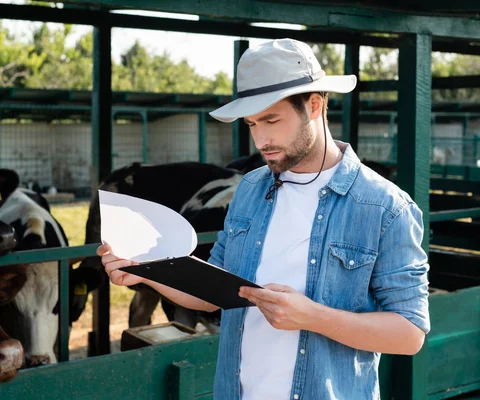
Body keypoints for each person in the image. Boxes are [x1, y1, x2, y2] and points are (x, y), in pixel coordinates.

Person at [97, 38, 430, 400]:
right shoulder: (250, 189)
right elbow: (212, 294)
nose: (261, 139)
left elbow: (410, 333)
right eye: (252, 123)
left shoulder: (385, 206)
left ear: (314, 106)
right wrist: (144, 269)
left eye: (272, 119)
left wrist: (312, 317)